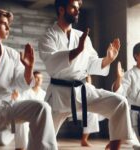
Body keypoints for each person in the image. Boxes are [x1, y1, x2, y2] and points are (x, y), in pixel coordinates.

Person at [38, 0, 139, 150]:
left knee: (119, 103)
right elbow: (52, 63)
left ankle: (114, 147)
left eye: (78, 8)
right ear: (61, 9)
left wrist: (107, 59)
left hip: (83, 89)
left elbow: (91, 63)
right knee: (41, 141)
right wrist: (76, 51)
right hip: (60, 95)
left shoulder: (82, 37)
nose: (77, 11)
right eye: (73, 7)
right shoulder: (48, 37)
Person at [0, 8, 58, 150]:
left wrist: (28, 68)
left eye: (9, 24)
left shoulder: (12, 54)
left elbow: (23, 84)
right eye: (3, 23)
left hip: (8, 106)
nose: (8, 27)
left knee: (42, 108)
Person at [112, 43, 140, 143]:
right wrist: (119, 78)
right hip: (137, 115)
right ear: (136, 56)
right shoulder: (130, 74)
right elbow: (119, 92)